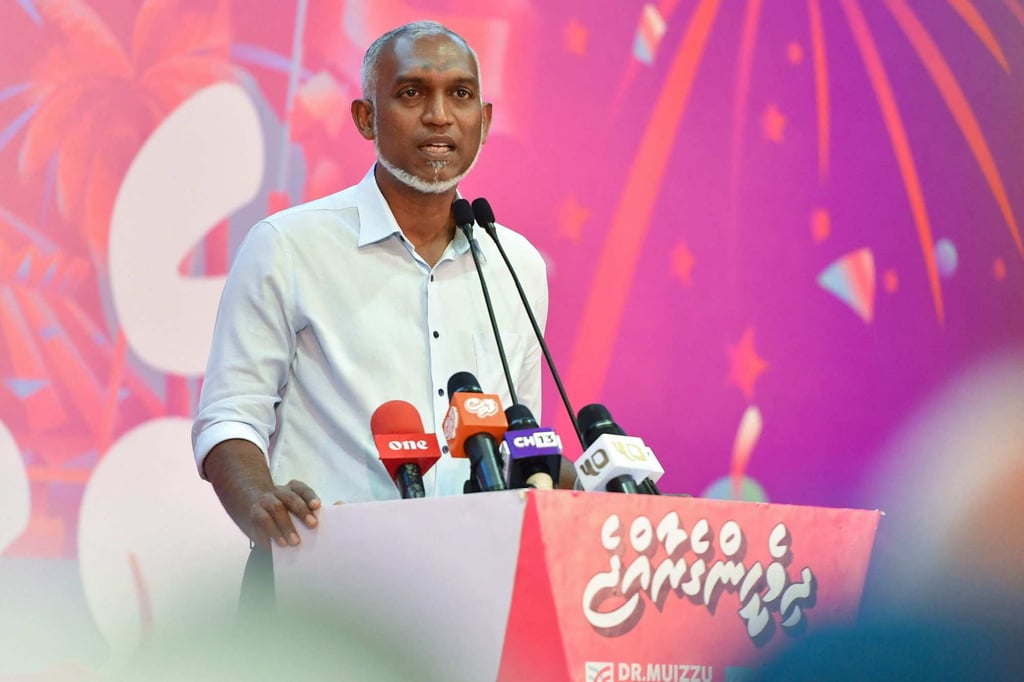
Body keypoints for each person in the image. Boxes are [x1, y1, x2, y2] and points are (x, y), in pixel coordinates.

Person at [191, 21, 548, 558]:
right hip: (322, 580)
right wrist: (259, 503)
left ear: (485, 119)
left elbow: (522, 439)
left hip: (476, 578)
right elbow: (229, 417)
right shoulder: (288, 246)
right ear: (365, 117)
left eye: (460, 94)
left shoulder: (514, 263)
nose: (439, 115)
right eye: (411, 93)